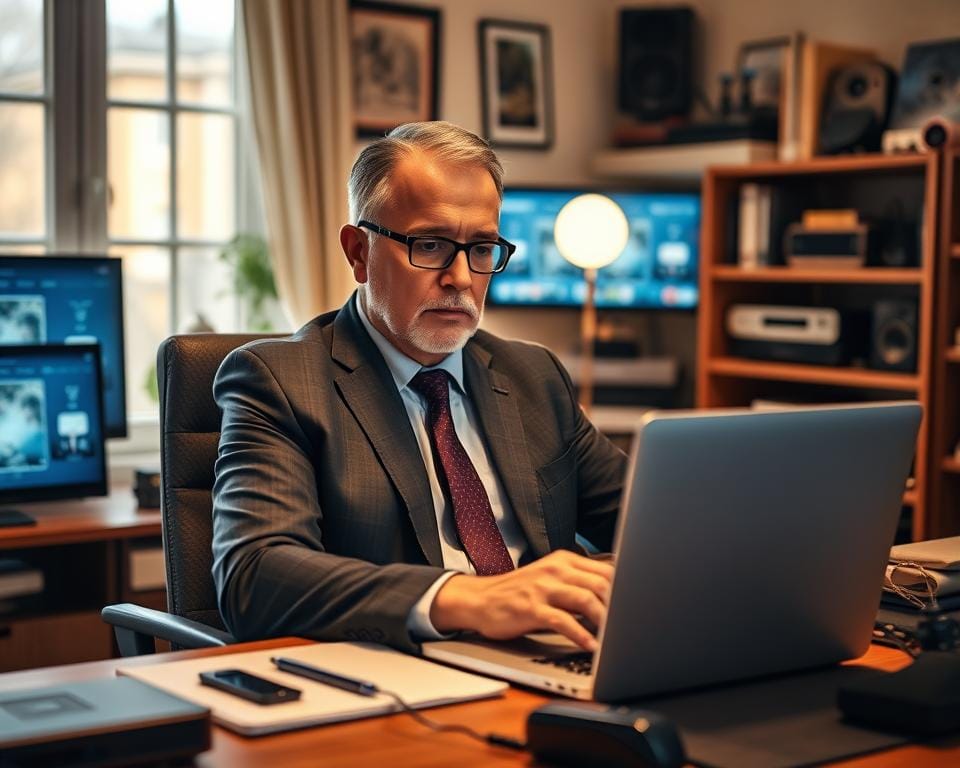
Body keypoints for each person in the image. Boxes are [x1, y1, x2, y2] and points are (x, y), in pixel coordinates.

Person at [212, 121, 626, 654]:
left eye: (481, 249)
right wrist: (468, 599)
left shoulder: (534, 376)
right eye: (430, 245)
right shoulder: (281, 382)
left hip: (554, 655)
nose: (460, 278)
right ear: (358, 252)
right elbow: (254, 575)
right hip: (400, 672)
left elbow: (649, 521)